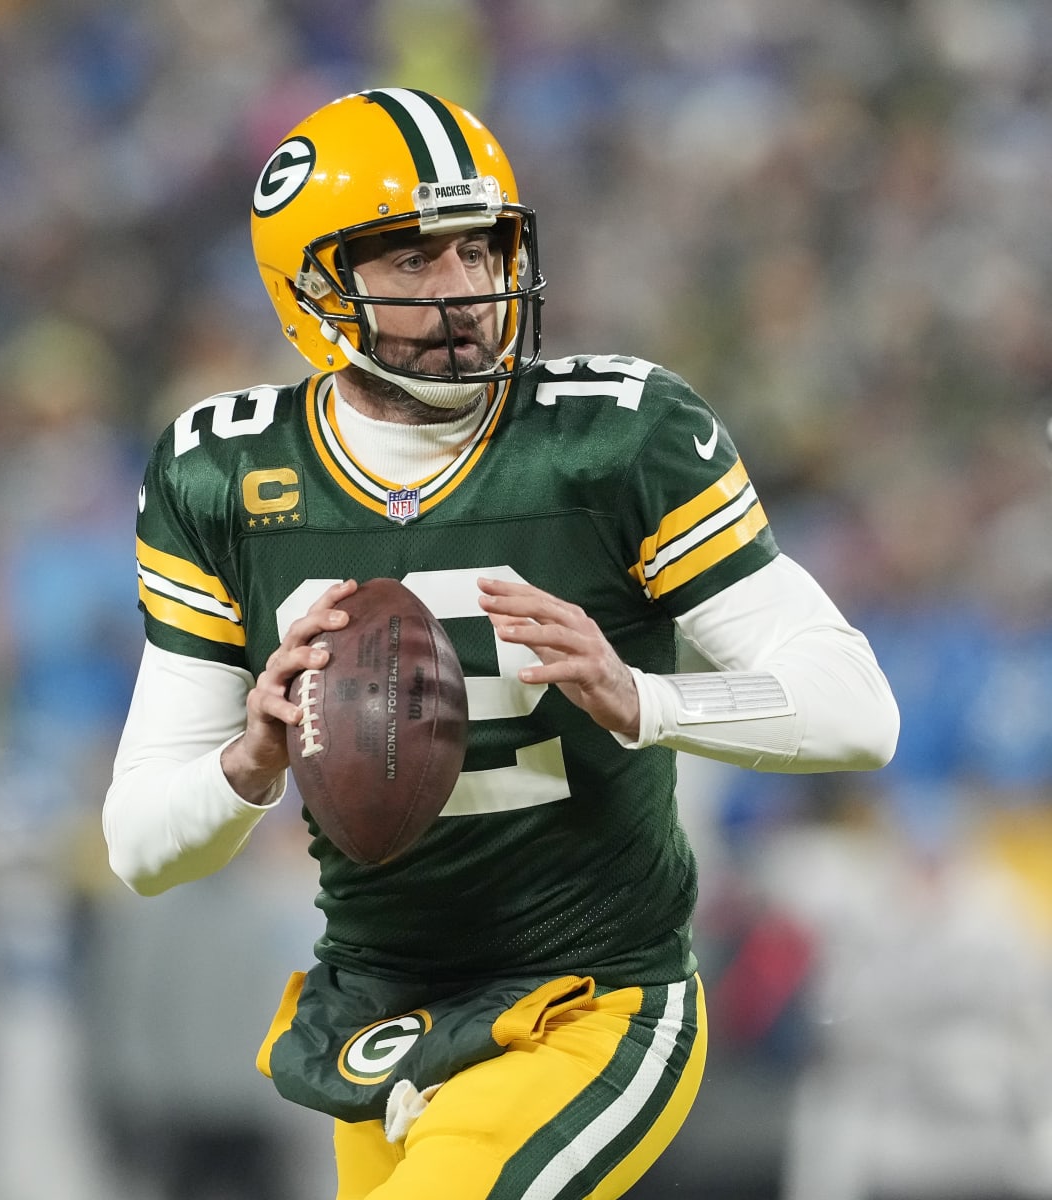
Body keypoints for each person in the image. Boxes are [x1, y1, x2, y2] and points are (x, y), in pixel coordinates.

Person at [103, 88, 899, 1200]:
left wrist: (645, 698)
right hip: (384, 1007)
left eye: (478, 249)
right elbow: (143, 847)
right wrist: (248, 764)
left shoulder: (615, 440)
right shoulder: (221, 476)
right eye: (414, 259)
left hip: (592, 999)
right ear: (312, 286)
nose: (465, 289)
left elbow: (860, 709)